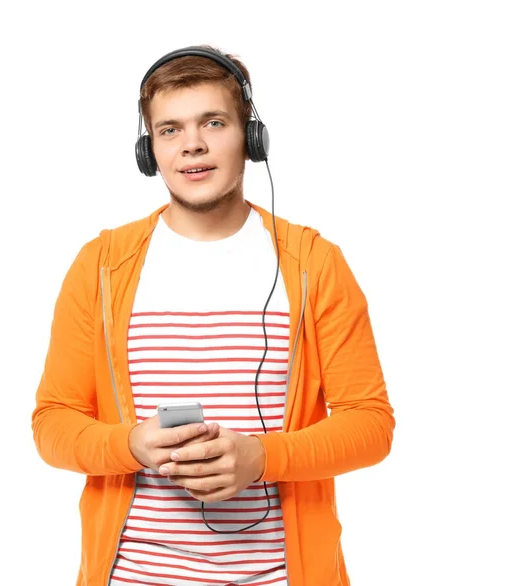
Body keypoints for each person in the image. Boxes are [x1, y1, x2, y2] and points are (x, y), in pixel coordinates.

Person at [31, 44, 395, 586]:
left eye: (214, 122)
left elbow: (371, 424)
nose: (192, 145)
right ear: (149, 150)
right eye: (170, 130)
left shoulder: (314, 264)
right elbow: (53, 423)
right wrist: (129, 445)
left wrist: (262, 459)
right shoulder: (102, 266)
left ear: (250, 137)